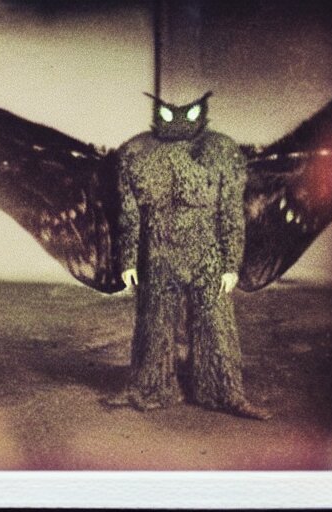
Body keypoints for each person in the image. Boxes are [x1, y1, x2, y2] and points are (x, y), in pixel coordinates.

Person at [107, 92, 270, 419]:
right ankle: (149, 387)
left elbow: (230, 211)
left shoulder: (220, 150)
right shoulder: (136, 152)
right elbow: (129, 211)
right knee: (154, 325)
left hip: (206, 255)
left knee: (215, 326)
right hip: (158, 254)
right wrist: (128, 259)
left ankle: (225, 392)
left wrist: (230, 263)